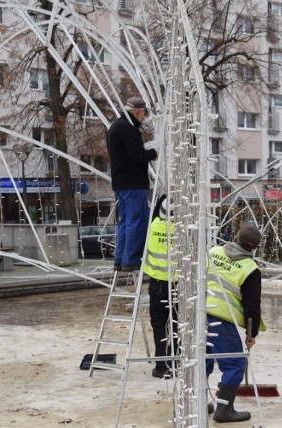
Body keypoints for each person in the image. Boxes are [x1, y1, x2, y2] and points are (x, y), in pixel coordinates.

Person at [206, 222, 266, 423]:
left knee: (201, 358)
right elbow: (252, 306)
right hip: (221, 319)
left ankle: (196, 400)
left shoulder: (213, 251)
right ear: (253, 247)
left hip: (197, 313)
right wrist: (252, 335)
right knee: (235, 363)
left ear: (235, 237)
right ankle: (224, 410)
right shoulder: (250, 269)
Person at [106, 97, 158, 271]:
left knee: (125, 221)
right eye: (143, 115)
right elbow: (138, 156)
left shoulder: (115, 126)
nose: (143, 119)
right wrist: (153, 153)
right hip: (133, 183)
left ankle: (120, 259)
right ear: (138, 112)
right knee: (137, 221)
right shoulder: (128, 129)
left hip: (120, 182)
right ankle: (132, 260)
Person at [143, 194, 178, 379]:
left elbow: (156, 210)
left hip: (157, 285)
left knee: (159, 326)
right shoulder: (184, 230)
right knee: (177, 325)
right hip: (178, 285)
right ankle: (177, 363)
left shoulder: (153, 226)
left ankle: (161, 366)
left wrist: (164, 195)